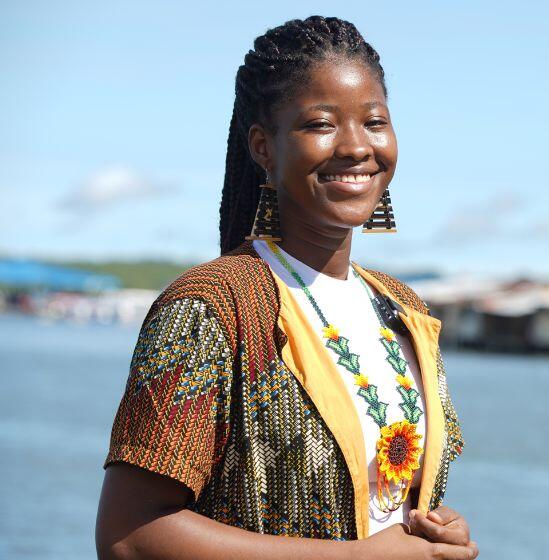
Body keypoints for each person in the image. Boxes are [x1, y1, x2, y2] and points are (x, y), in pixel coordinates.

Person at [95, 16, 477, 560]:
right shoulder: (210, 307)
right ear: (263, 148)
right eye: (320, 124)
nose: (355, 147)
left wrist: (437, 532)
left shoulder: (403, 310)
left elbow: (385, 504)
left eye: (374, 122)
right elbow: (129, 536)